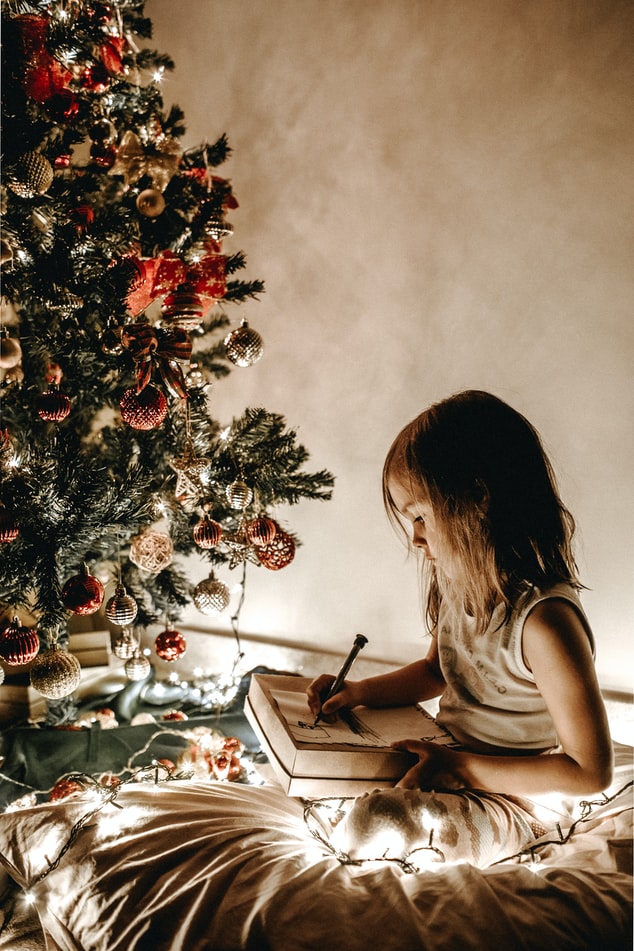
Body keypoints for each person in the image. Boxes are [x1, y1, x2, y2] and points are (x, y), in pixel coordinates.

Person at [307, 390, 613, 803]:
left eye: (420, 516)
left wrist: (462, 768)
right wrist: (359, 692)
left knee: (377, 822)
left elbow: (590, 772)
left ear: (477, 499)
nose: (415, 538)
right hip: (447, 762)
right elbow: (436, 672)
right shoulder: (459, 586)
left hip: (508, 791)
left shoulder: (544, 622)